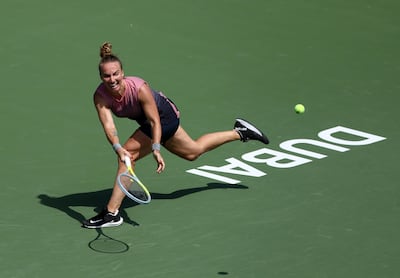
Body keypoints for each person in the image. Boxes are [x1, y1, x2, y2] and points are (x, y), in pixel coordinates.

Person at [82, 42, 269, 228]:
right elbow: (109, 125)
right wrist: (117, 147)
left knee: (128, 156)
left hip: (164, 117)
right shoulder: (100, 96)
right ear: (101, 76)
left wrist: (156, 147)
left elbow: (155, 121)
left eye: (116, 74)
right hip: (150, 123)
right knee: (192, 152)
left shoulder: (139, 88)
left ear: (123, 73)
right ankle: (240, 132)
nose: (112, 79)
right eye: (107, 75)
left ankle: (111, 213)